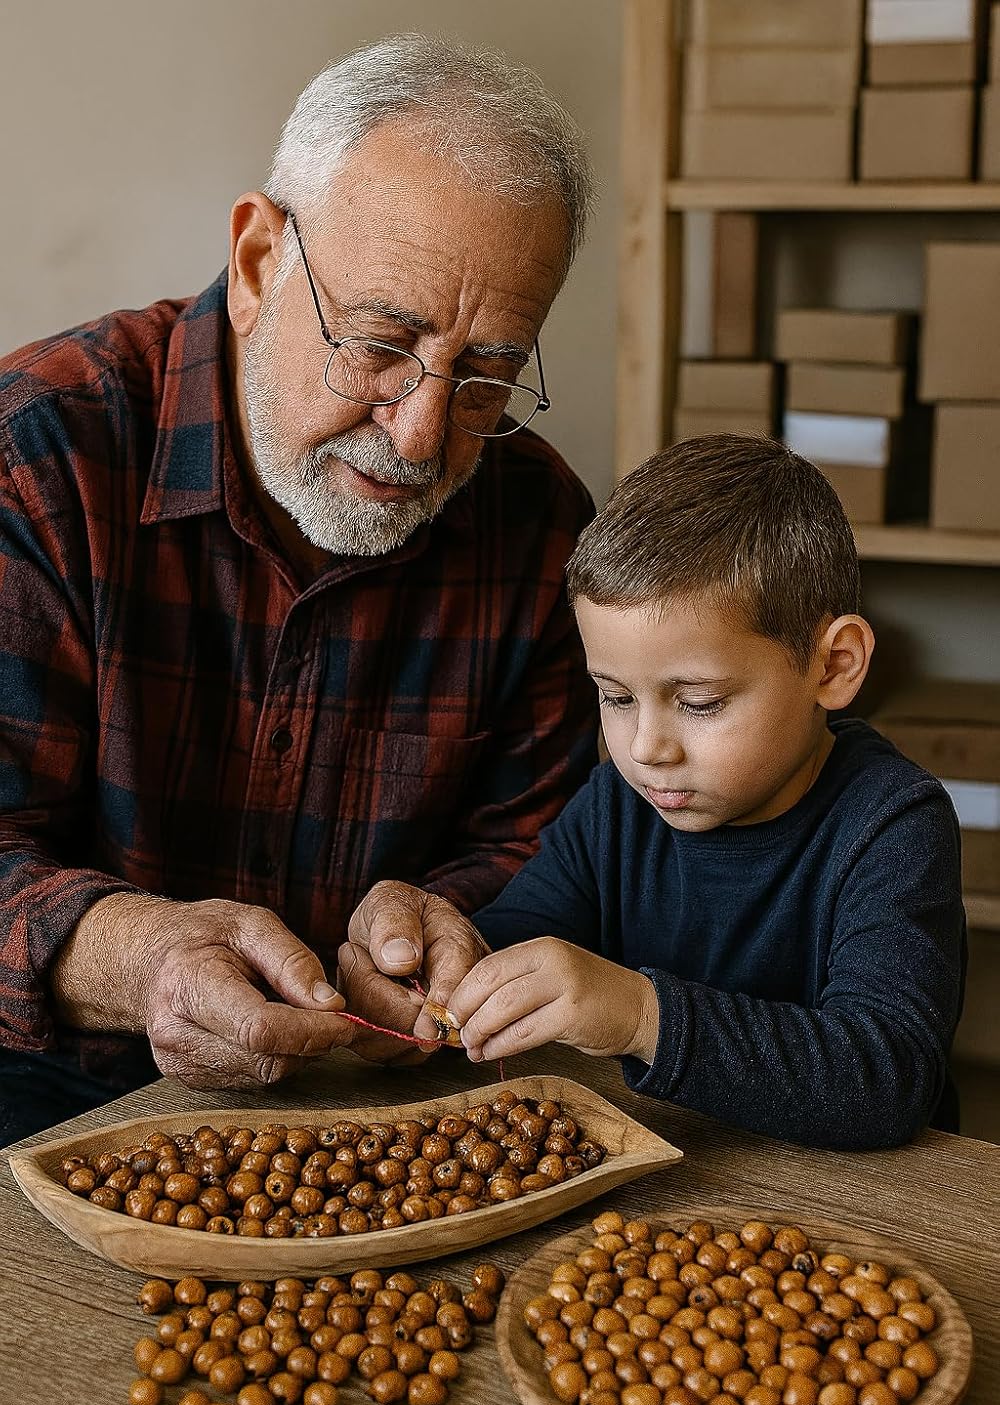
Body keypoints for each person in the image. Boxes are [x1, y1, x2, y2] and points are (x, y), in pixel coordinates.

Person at [0, 35, 599, 1144]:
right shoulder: (38, 456)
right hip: (41, 1090)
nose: (420, 433)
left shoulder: (541, 527)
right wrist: (139, 961)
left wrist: (447, 918)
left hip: (384, 1100)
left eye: (488, 374)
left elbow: (548, 844)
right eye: (379, 343)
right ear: (258, 262)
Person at [372, 436, 966, 1149]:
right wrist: (437, 970)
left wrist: (642, 1016)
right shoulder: (620, 805)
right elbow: (518, 940)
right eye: (616, 699)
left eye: (700, 702)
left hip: (862, 1210)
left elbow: (886, 1079)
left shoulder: (893, 823)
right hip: (671, 1174)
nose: (647, 748)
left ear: (833, 666)